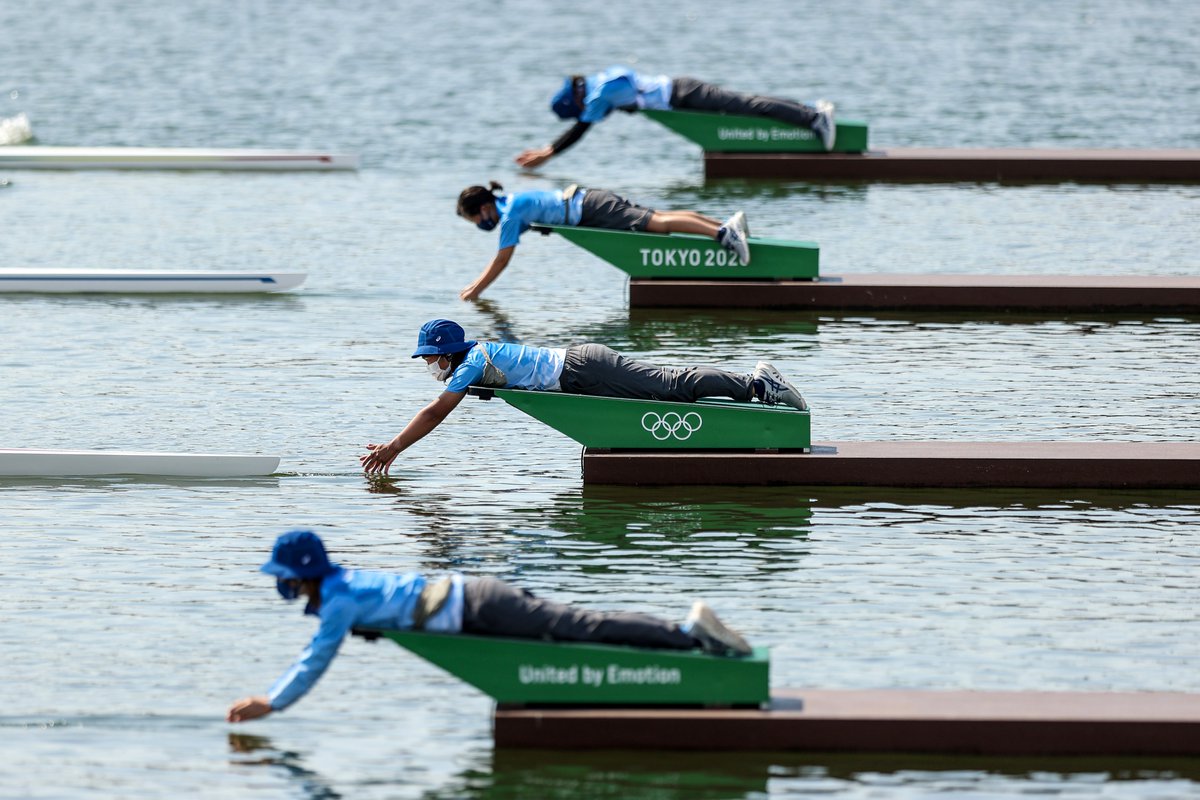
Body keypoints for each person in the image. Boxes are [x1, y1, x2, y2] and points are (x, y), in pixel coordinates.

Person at [226, 530, 753, 722]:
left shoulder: (338, 603)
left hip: (477, 606)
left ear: (302, 576)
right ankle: (684, 632)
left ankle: (687, 633)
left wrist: (272, 702)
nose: (286, 587)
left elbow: (314, 660)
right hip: (474, 598)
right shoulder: (343, 583)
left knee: (579, 628)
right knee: (575, 625)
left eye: (287, 578)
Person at [359, 319, 808, 475]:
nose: (428, 366)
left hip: (583, 368)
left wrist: (394, 448)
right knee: (669, 392)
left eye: (429, 359)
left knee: (672, 386)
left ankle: (757, 384)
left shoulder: (472, 361)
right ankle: (750, 388)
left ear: (447, 354)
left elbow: (436, 413)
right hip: (579, 373)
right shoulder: (472, 363)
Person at [456, 181, 750, 301]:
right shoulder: (508, 201)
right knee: (658, 216)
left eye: (476, 220)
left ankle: (722, 234)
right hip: (591, 199)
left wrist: (474, 292)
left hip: (592, 208)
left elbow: (502, 259)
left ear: (483, 208)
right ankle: (723, 226)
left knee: (657, 224)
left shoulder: (508, 216)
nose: (481, 225)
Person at [515, 65, 836, 169]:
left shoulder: (600, 94)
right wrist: (548, 150)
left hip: (683, 95)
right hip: (682, 95)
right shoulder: (600, 80)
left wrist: (548, 153)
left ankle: (813, 118)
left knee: (746, 106)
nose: (582, 111)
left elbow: (581, 129)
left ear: (577, 98)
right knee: (745, 105)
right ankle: (807, 107)